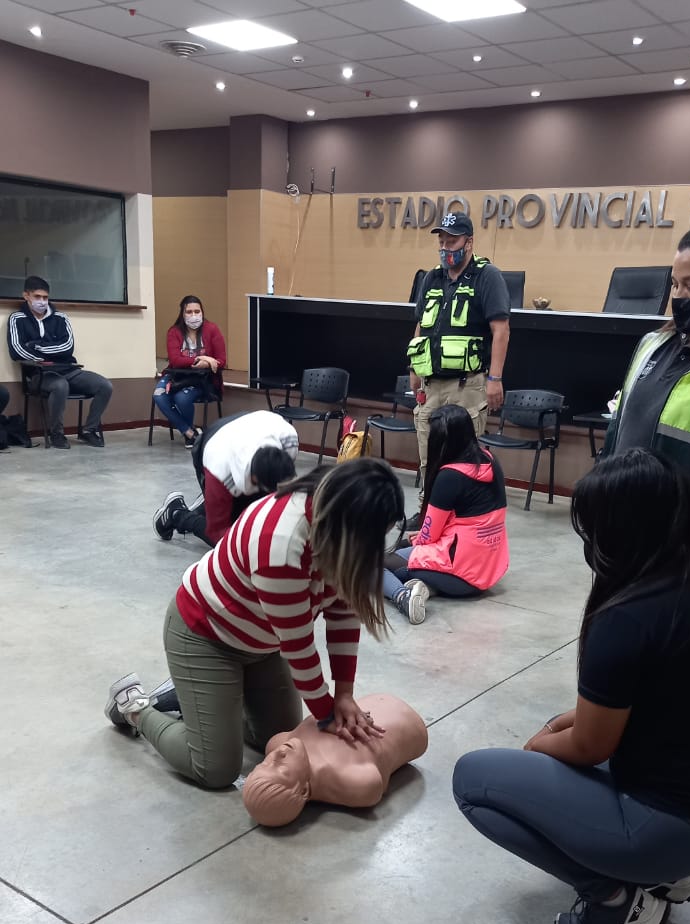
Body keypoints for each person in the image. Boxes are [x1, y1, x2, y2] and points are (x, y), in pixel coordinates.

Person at [452, 449, 690, 924]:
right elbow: (657, 701)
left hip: (665, 828)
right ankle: (662, 880)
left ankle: (611, 897)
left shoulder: (627, 617)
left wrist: (538, 745)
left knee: (474, 781)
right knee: (551, 743)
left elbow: (591, 745)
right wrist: (565, 724)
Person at [105, 459, 406, 790]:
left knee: (278, 737)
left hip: (263, 644)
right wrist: (327, 715)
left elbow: (343, 612)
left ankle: (201, 697)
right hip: (206, 636)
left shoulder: (339, 530)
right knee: (215, 768)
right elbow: (299, 648)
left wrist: (344, 694)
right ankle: (134, 706)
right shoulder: (281, 541)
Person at [603, 219, 690, 539]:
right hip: (621, 530)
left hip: (681, 549)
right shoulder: (651, 344)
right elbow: (617, 431)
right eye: (674, 284)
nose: (680, 296)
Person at [406, 211, 510, 527]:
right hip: (432, 384)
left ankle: (460, 520)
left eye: (452, 240)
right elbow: (421, 327)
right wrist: (414, 369)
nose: (445, 246)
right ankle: (427, 513)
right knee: (429, 456)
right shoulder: (431, 278)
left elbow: (501, 330)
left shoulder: (487, 275)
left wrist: (495, 379)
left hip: (469, 386)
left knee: (463, 460)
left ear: (469, 242)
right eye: (442, 241)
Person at [383, 404, 509, 624]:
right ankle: (426, 587)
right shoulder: (490, 460)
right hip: (488, 569)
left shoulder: (450, 476)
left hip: (461, 574)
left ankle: (403, 597)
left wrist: (417, 540)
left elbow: (429, 536)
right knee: (404, 546)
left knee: (369, 564)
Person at [242, 693, 428, 826]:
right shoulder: (350, 780)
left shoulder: (278, 744)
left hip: (375, 700)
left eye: (264, 764)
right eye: (282, 770)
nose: (276, 756)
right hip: (411, 725)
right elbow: (373, 784)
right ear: (304, 790)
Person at [153, 409, 299, 548]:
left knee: (263, 518)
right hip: (211, 443)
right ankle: (176, 513)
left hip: (252, 423)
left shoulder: (288, 440)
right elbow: (217, 533)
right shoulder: (219, 472)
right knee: (234, 540)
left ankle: (208, 503)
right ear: (254, 480)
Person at [7, 274, 112, 449]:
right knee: (60, 385)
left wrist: (37, 346)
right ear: (26, 296)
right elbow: (17, 351)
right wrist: (50, 352)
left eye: (45, 297)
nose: (42, 301)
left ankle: (89, 430)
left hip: (69, 369)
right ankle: (57, 434)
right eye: (37, 297)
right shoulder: (16, 319)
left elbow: (68, 347)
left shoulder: (61, 318)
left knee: (105, 385)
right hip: (38, 375)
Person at [153, 295, 226, 448]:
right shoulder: (174, 332)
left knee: (182, 399)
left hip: (202, 379)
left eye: (197, 311)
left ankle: (189, 434)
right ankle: (189, 432)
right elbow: (175, 360)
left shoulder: (212, 329)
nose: (194, 316)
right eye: (189, 312)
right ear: (182, 313)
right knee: (158, 395)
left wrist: (207, 364)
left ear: (202, 312)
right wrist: (202, 359)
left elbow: (221, 360)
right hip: (177, 375)